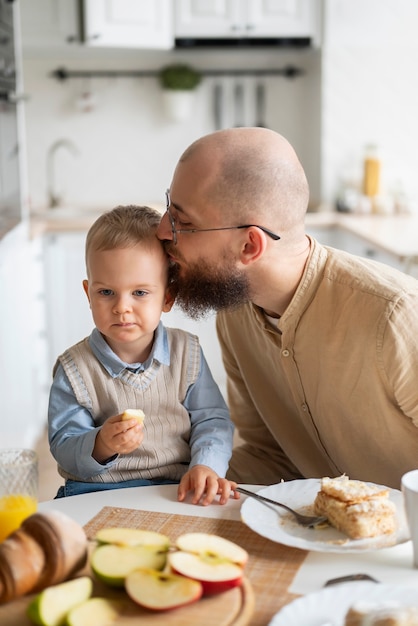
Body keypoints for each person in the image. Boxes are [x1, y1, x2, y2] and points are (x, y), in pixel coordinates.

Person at [156, 127, 418, 490]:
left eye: (183, 222)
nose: (161, 230)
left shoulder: (396, 316)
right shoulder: (235, 315)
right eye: (169, 210)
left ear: (250, 246)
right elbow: (270, 454)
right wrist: (168, 474)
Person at [48, 205, 238, 505]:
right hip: (98, 490)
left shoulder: (186, 353)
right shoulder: (74, 369)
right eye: (106, 292)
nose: (122, 307)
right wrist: (101, 444)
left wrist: (206, 465)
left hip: (175, 485)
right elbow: (64, 446)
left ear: (167, 297)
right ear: (88, 293)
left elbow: (212, 420)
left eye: (139, 293)